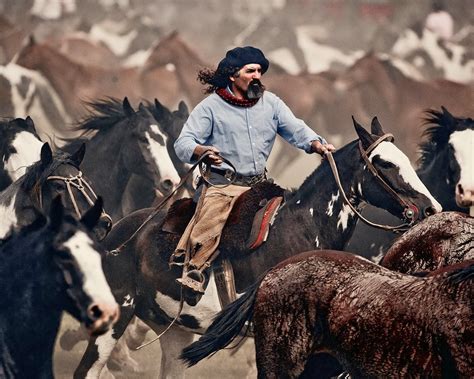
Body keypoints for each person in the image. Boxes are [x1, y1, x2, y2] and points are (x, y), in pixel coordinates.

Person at [171, 46, 335, 298]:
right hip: (222, 185)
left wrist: (315, 143)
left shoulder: (272, 104)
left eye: (260, 70)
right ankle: (196, 269)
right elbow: (183, 143)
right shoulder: (210, 108)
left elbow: (296, 128)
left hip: (260, 184)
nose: (257, 75)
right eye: (250, 71)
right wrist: (201, 150)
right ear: (233, 76)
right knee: (211, 222)